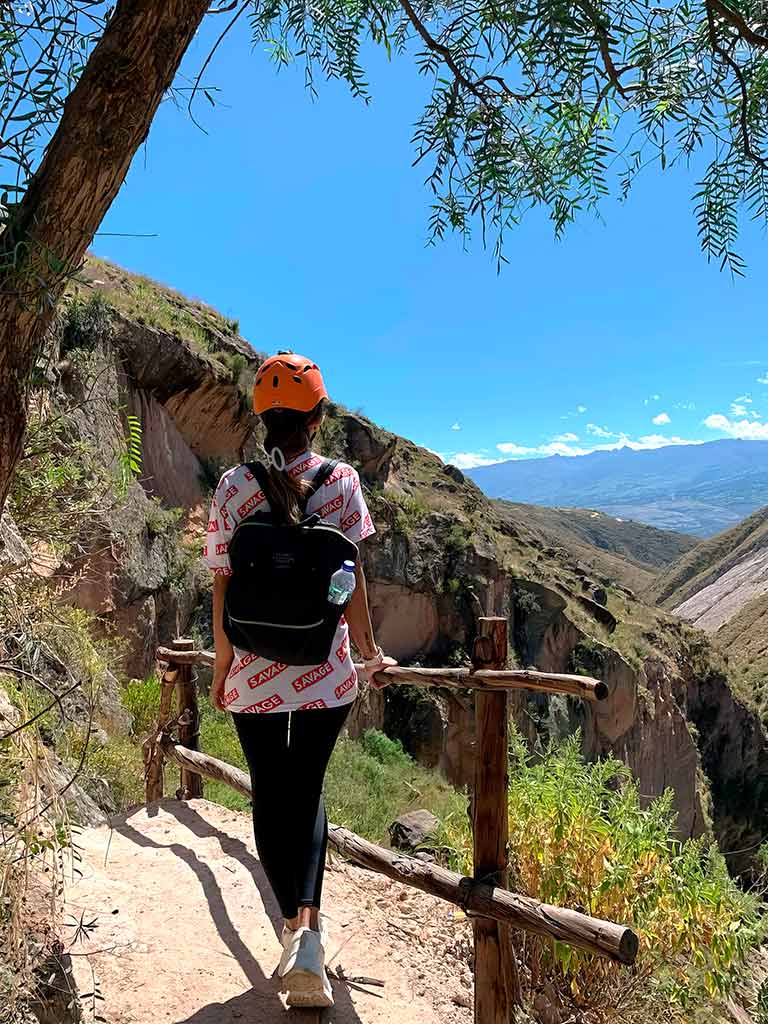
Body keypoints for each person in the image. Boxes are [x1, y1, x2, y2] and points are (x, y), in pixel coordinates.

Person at [203, 351, 396, 1009]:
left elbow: (222, 586)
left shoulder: (233, 487)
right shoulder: (341, 483)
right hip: (324, 667)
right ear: (318, 417)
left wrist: (224, 665)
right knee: (307, 791)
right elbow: (349, 578)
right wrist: (369, 649)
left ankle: (293, 933)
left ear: (263, 419)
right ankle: (309, 932)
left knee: (270, 792)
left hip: (254, 670)